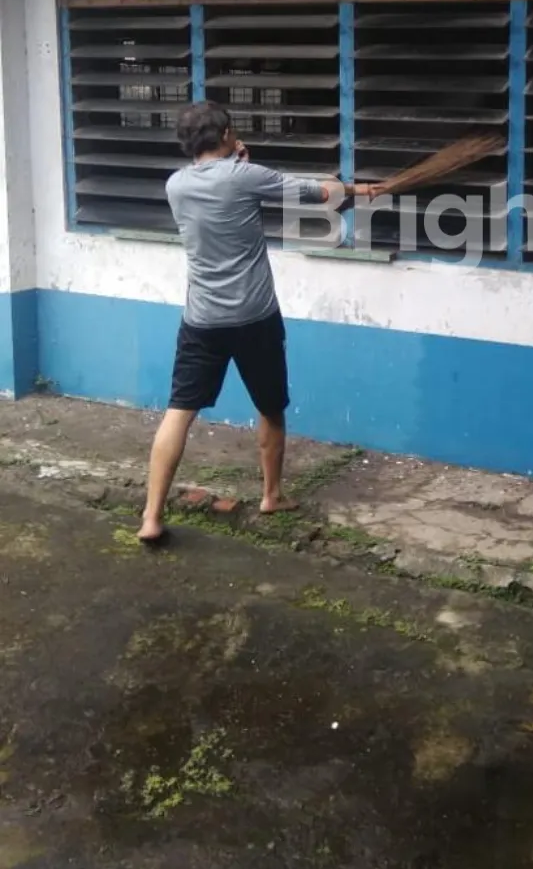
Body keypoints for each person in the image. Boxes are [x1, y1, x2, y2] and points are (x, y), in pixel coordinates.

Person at [137, 101, 366, 544]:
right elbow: (317, 193)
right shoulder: (245, 176)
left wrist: (238, 163)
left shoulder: (176, 185)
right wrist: (346, 187)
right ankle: (271, 495)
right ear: (226, 134)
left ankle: (150, 517)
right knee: (270, 408)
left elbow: (226, 188)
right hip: (254, 317)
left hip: (202, 319)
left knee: (179, 411)